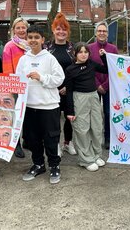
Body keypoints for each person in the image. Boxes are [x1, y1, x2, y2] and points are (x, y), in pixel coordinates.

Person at [16, 25, 65, 184]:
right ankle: (38, 164)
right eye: (30, 37)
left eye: (37, 37)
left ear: (43, 40)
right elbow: (17, 81)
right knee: (32, 139)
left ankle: (54, 166)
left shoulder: (49, 58)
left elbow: (59, 79)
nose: (33, 40)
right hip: (29, 106)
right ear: (26, 39)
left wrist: (41, 77)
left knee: (51, 138)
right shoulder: (23, 59)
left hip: (48, 106)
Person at [65, 43, 108, 172]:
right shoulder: (70, 70)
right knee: (82, 129)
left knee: (96, 127)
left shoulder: (91, 64)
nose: (83, 54)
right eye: (80, 52)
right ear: (75, 54)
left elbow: (106, 69)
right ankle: (86, 159)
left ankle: (96, 155)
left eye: (86, 52)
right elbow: (69, 92)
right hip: (79, 99)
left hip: (93, 97)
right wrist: (70, 111)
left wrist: (103, 57)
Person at [46, 13, 77, 156]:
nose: (61, 32)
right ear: (53, 30)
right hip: (52, 90)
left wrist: (67, 87)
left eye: (64, 29)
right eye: (58, 29)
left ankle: (67, 143)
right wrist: (55, 87)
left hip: (69, 89)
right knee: (54, 119)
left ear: (68, 31)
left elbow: (76, 69)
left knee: (69, 118)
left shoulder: (72, 48)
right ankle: (56, 144)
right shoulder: (46, 48)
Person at [2, 17, 30, 158]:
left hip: (30, 85)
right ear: (14, 30)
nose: (20, 30)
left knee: (28, 116)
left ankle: (27, 141)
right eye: (17, 28)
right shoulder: (10, 46)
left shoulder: (31, 45)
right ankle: (16, 144)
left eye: (23, 27)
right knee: (16, 116)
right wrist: (12, 87)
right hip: (16, 86)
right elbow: (7, 69)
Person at [89, 22, 118, 149]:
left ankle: (108, 138)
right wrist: (97, 85)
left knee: (108, 112)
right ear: (96, 33)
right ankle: (93, 138)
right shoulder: (89, 48)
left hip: (109, 86)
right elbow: (89, 68)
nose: (102, 33)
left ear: (107, 33)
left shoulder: (113, 48)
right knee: (93, 114)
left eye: (104, 31)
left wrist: (105, 85)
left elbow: (115, 69)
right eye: (99, 31)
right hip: (93, 86)